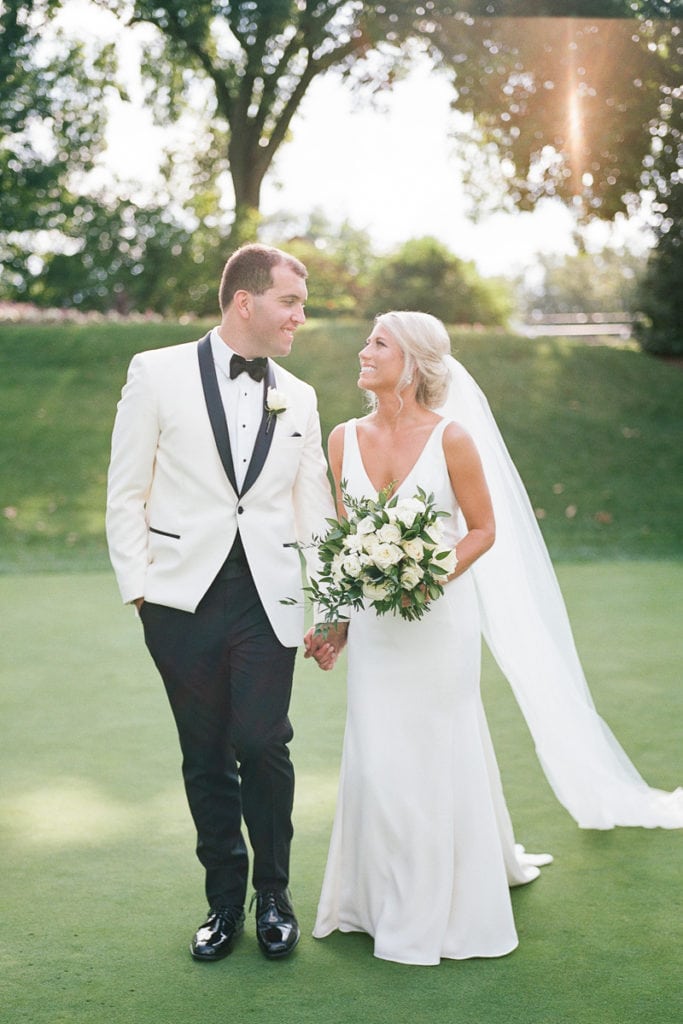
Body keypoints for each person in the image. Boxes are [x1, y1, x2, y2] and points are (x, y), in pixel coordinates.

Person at [308, 310, 683, 966]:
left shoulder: (451, 439)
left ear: (415, 362)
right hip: (375, 628)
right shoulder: (340, 438)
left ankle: (435, 903)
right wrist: (335, 617)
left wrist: (429, 572)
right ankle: (371, 900)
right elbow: (344, 540)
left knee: (435, 749)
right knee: (376, 757)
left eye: (378, 343)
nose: (362, 351)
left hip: (438, 622)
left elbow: (480, 529)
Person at [106, 243, 341, 962]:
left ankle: (273, 895)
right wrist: (141, 590)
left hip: (266, 600)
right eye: (290, 303)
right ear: (247, 301)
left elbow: (315, 512)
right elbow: (125, 491)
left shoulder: (297, 395)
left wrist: (332, 606)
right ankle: (221, 904)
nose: (300, 316)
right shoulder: (155, 372)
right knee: (205, 754)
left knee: (263, 742)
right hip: (179, 600)